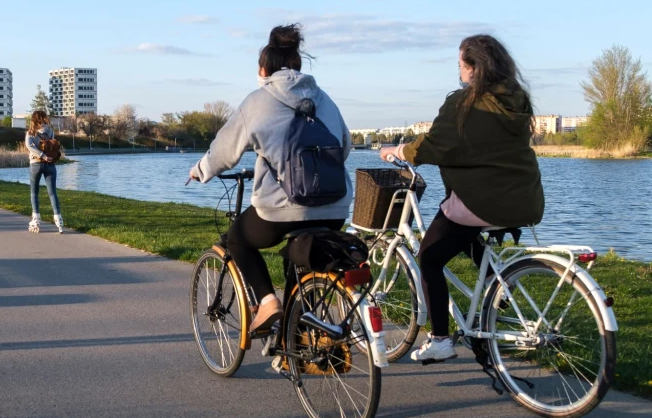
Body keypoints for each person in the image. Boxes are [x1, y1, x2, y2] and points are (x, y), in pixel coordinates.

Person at [380, 34, 544, 363]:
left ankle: (440, 340)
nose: (459, 71)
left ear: (473, 68)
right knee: (462, 231)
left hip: (484, 199)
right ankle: (498, 286)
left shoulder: (465, 103)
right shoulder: (516, 100)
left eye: (460, 65)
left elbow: (435, 144)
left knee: (429, 257)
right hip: (525, 198)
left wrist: (397, 150)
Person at [188, 24, 353, 332]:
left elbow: (224, 152)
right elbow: (344, 147)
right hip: (335, 208)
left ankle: (267, 301)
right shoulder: (325, 100)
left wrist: (200, 171)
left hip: (281, 211)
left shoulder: (258, 101)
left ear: (264, 70)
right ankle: (298, 331)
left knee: (237, 238)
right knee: (302, 257)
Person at [24, 110, 64, 233]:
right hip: (50, 164)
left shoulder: (30, 133)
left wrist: (41, 155)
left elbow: (29, 146)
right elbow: (53, 145)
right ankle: (58, 220)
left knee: (34, 192)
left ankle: (36, 219)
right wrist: (47, 157)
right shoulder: (50, 132)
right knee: (52, 193)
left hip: (35, 163)